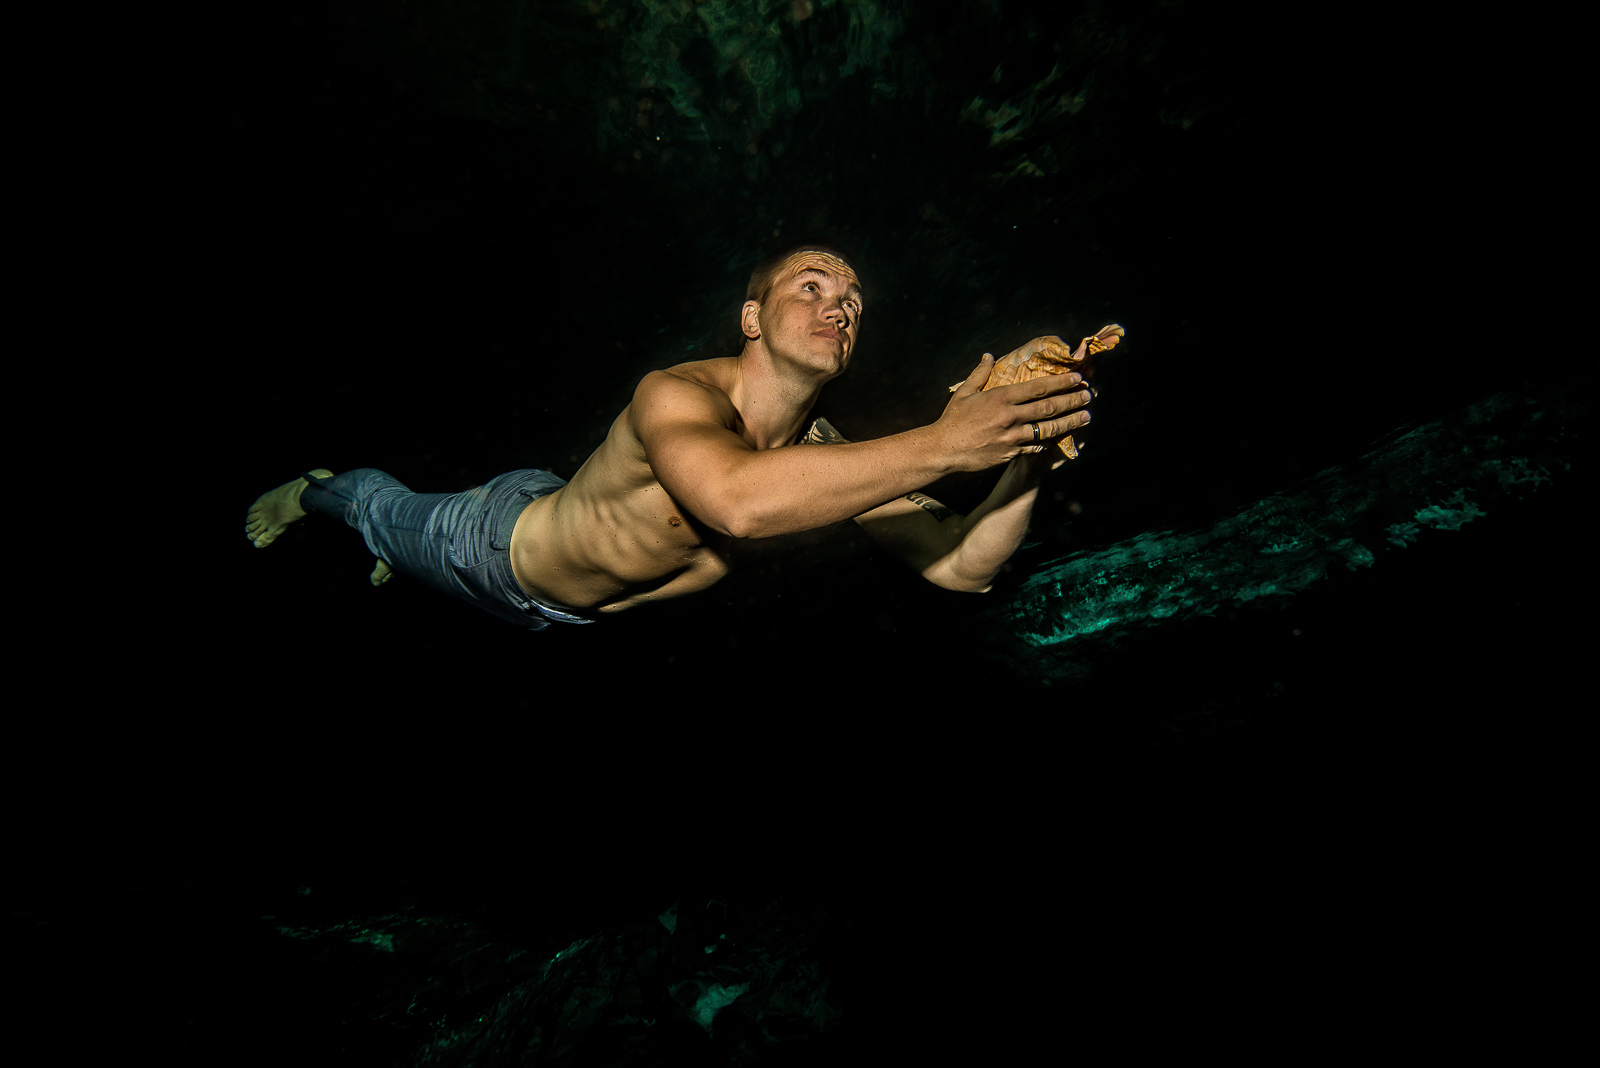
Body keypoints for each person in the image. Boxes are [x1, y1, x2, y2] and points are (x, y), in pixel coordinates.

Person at [243, 243, 1094, 630]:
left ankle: (403, 525)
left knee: (444, 518)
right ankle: (315, 489)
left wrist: (1025, 449)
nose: (840, 304)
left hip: (565, 568)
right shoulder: (677, 391)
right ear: (752, 317)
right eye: (813, 285)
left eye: (855, 302)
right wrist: (950, 442)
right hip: (493, 552)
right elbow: (736, 505)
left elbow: (960, 568)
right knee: (377, 507)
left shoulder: (828, 456)